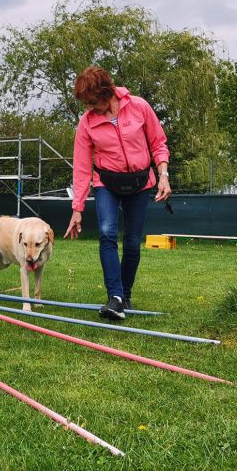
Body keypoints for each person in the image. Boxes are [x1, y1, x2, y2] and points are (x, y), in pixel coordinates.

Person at [63, 67, 171, 320]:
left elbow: (158, 143)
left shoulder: (139, 107)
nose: (89, 108)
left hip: (140, 183)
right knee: (107, 234)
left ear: (106, 92)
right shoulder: (87, 123)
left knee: (132, 241)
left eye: (91, 101)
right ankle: (116, 297)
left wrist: (163, 176)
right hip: (106, 184)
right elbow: (81, 167)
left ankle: (125, 293)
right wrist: (77, 209)